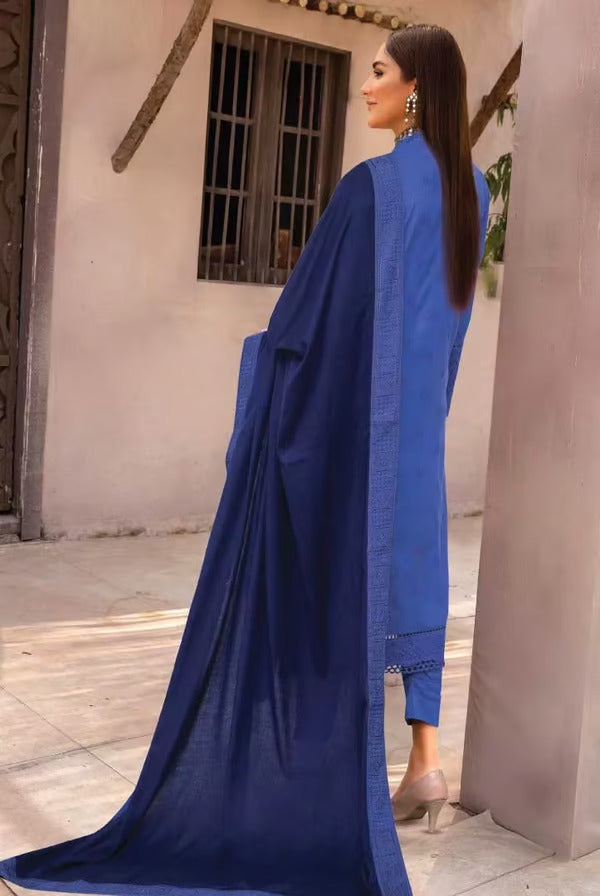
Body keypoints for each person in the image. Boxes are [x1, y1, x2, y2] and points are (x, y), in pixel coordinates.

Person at [0, 23, 489, 896]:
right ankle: (426, 761)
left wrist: (268, 365)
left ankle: (308, 763)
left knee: (330, 577)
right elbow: (450, 323)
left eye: (378, 72)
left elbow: (309, 314)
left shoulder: (371, 188)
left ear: (416, 88)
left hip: (359, 428)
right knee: (414, 573)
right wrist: (426, 408)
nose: (364, 85)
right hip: (420, 425)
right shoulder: (476, 192)